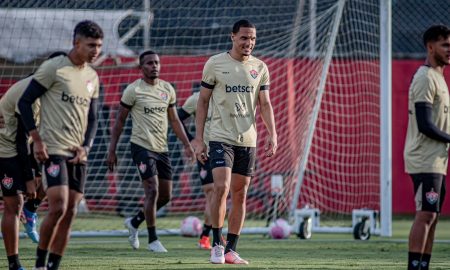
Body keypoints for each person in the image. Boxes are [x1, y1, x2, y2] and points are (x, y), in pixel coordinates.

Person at [18, 20, 103, 270]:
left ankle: (54, 265)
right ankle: (40, 264)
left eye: (98, 46)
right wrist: (38, 140)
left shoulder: (92, 76)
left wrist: (86, 147)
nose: (95, 51)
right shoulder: (54, 68)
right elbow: (25, 102)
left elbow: (95, 118)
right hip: (53, 149)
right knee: (58, 206)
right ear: (76, 42)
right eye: (91, 45)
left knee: (71, 212)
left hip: (78, 154)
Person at [191, 19, 277, 265]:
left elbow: (265, 104)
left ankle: (231, 249)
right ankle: (216, 245)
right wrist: (199, 138)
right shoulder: (215, 63)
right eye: (244, 38)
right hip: (220, 137)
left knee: (240, 194)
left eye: (252, 39)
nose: (248, 43)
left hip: (248, 139)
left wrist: (273, 134)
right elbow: (203, 102)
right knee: (222, 187)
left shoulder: (260, 67)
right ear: (232, 37)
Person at [106, 50, 195, 253]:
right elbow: (120, 121)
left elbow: (174, 120)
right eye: (149, 63)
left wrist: (187, 145)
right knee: (152, 190)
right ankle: (153, 239)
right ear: (141, 67)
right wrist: (112, 150)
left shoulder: (167, 89)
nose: (154, 66)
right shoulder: (133, 90)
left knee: (165, 196)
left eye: (156, 62)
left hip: (161, 148)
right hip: (141, 146)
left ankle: (135, 222)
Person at [0, 51, 67, 270]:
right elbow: (19, 139)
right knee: (13, 204)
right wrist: (29, 177)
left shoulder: (50, 91)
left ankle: (31, 210)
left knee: (51, 176)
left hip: (23, 145)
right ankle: (14, 264)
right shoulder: (29, 92)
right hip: (5, 147)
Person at [404, 25, 450, 270]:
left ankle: (423, 266)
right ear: (430, 47)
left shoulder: (439, 77)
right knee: (426, 215)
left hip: (437, 159)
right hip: (424, 158)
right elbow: (424, 125)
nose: (449, 50)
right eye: (445, 45)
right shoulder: (425, 77)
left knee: (433, 217)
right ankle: (414, 267)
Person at [178, 91, 214, 250]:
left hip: (227, 150)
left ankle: (211, 235)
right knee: (213, 194)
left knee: (223, 196)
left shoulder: (226, 95)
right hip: (205, 153)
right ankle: (206, 237)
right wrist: (191, 140)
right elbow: (177, 118)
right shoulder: (195, 99)